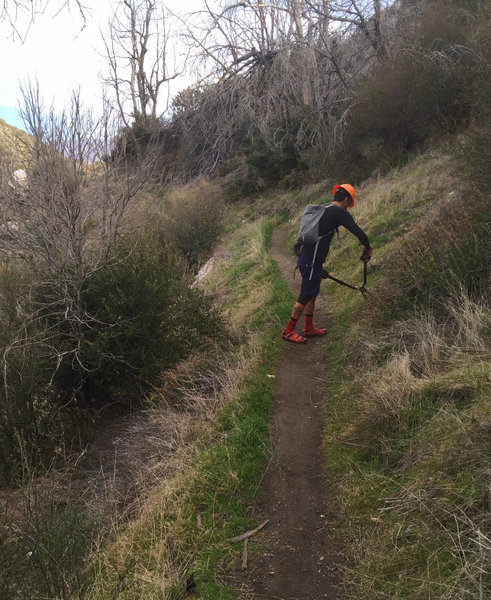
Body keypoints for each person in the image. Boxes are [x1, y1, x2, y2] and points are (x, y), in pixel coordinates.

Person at [282, 184, 372, 344]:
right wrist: (367, 246)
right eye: (349, 204)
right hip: (310, 260)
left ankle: (308, 327)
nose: (348, 207)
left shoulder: (326, 209)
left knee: (313, 292)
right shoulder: (338, 212)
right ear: (346, 199)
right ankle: (288, 331)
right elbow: (357, 231)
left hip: (310, 259)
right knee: (306, 294)